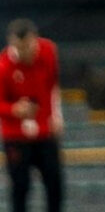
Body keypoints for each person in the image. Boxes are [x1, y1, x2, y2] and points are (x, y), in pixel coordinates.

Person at [0, 18, 64, 212]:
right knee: (20, 188)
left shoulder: (48, 51)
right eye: (18, 48)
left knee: (55, 185)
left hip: (46, 133)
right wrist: (14, 109)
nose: (24, 53)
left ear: (34, 40)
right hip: (16, 137)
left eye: (27, 46)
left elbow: (53, 85)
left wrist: (57, 116)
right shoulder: (3, 66)